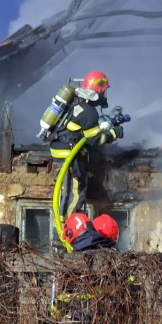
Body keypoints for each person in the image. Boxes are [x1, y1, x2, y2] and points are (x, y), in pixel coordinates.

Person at [50, 71, 123, 222]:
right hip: (70, 156)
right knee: (77, 194)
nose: (104, 95)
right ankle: (67, 228)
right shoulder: (89, 112)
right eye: (103, 91)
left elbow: (84, 134)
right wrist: (114, 133)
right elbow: (95, 140)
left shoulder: (75, 103)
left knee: (66, 194)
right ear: (98, 91)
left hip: (62, 152)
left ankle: (64, 225)